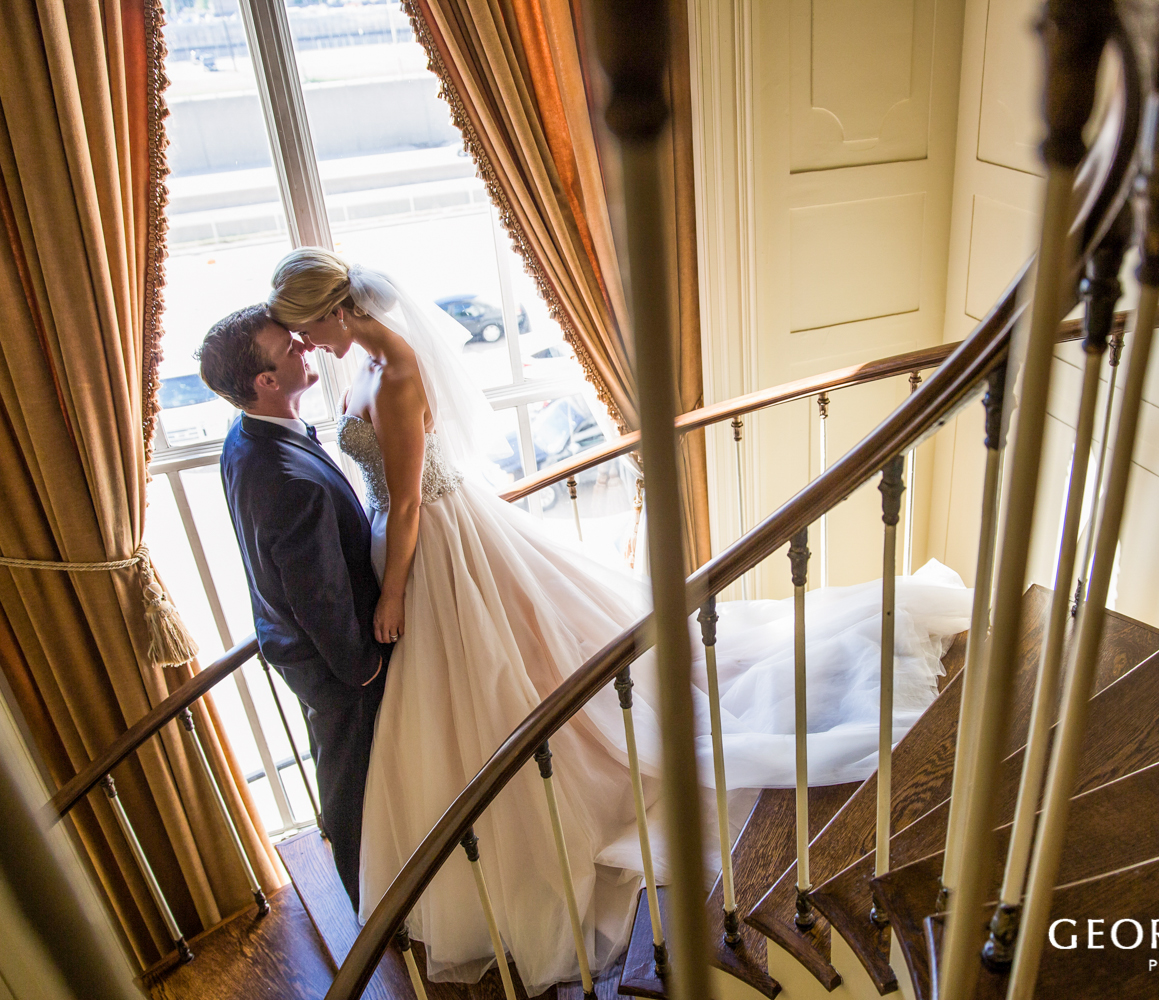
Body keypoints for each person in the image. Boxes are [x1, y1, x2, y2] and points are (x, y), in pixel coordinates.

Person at [266, 249, 973, 993]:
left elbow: (408, 501)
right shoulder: (361, 365)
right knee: (484, 690)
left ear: (333, 311)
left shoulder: (399, 369)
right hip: (412, 545)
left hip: (436, 549)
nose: (305, 346)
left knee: (507, 681)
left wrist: (392, 594)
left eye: (305, 329)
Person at [198, 305, 390, 909]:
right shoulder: (286, 478)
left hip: (302, 647)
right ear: (266, 382)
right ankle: (369, 901)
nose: (305, 348)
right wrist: (364, 668)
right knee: (351, 778)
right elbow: (321, 594)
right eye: (290, 350)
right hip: (339, 661)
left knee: (347, 766)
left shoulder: (248, 435)